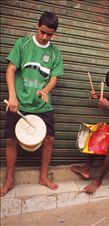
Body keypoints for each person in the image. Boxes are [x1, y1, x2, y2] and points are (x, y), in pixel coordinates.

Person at [0, 11, 64, 197]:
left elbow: (54, 78)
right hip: (19, 103)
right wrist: (12, 96)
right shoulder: (23, 44)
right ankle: (10, 180)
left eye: (49, 34)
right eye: (42, 32)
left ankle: (43, 177)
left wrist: (45, 91)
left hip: (42, 106)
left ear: (54, 33)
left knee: (49, 139)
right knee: (11, 140)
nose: (45, 37)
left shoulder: (55, 52)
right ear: (38, 26)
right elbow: (10, 70)